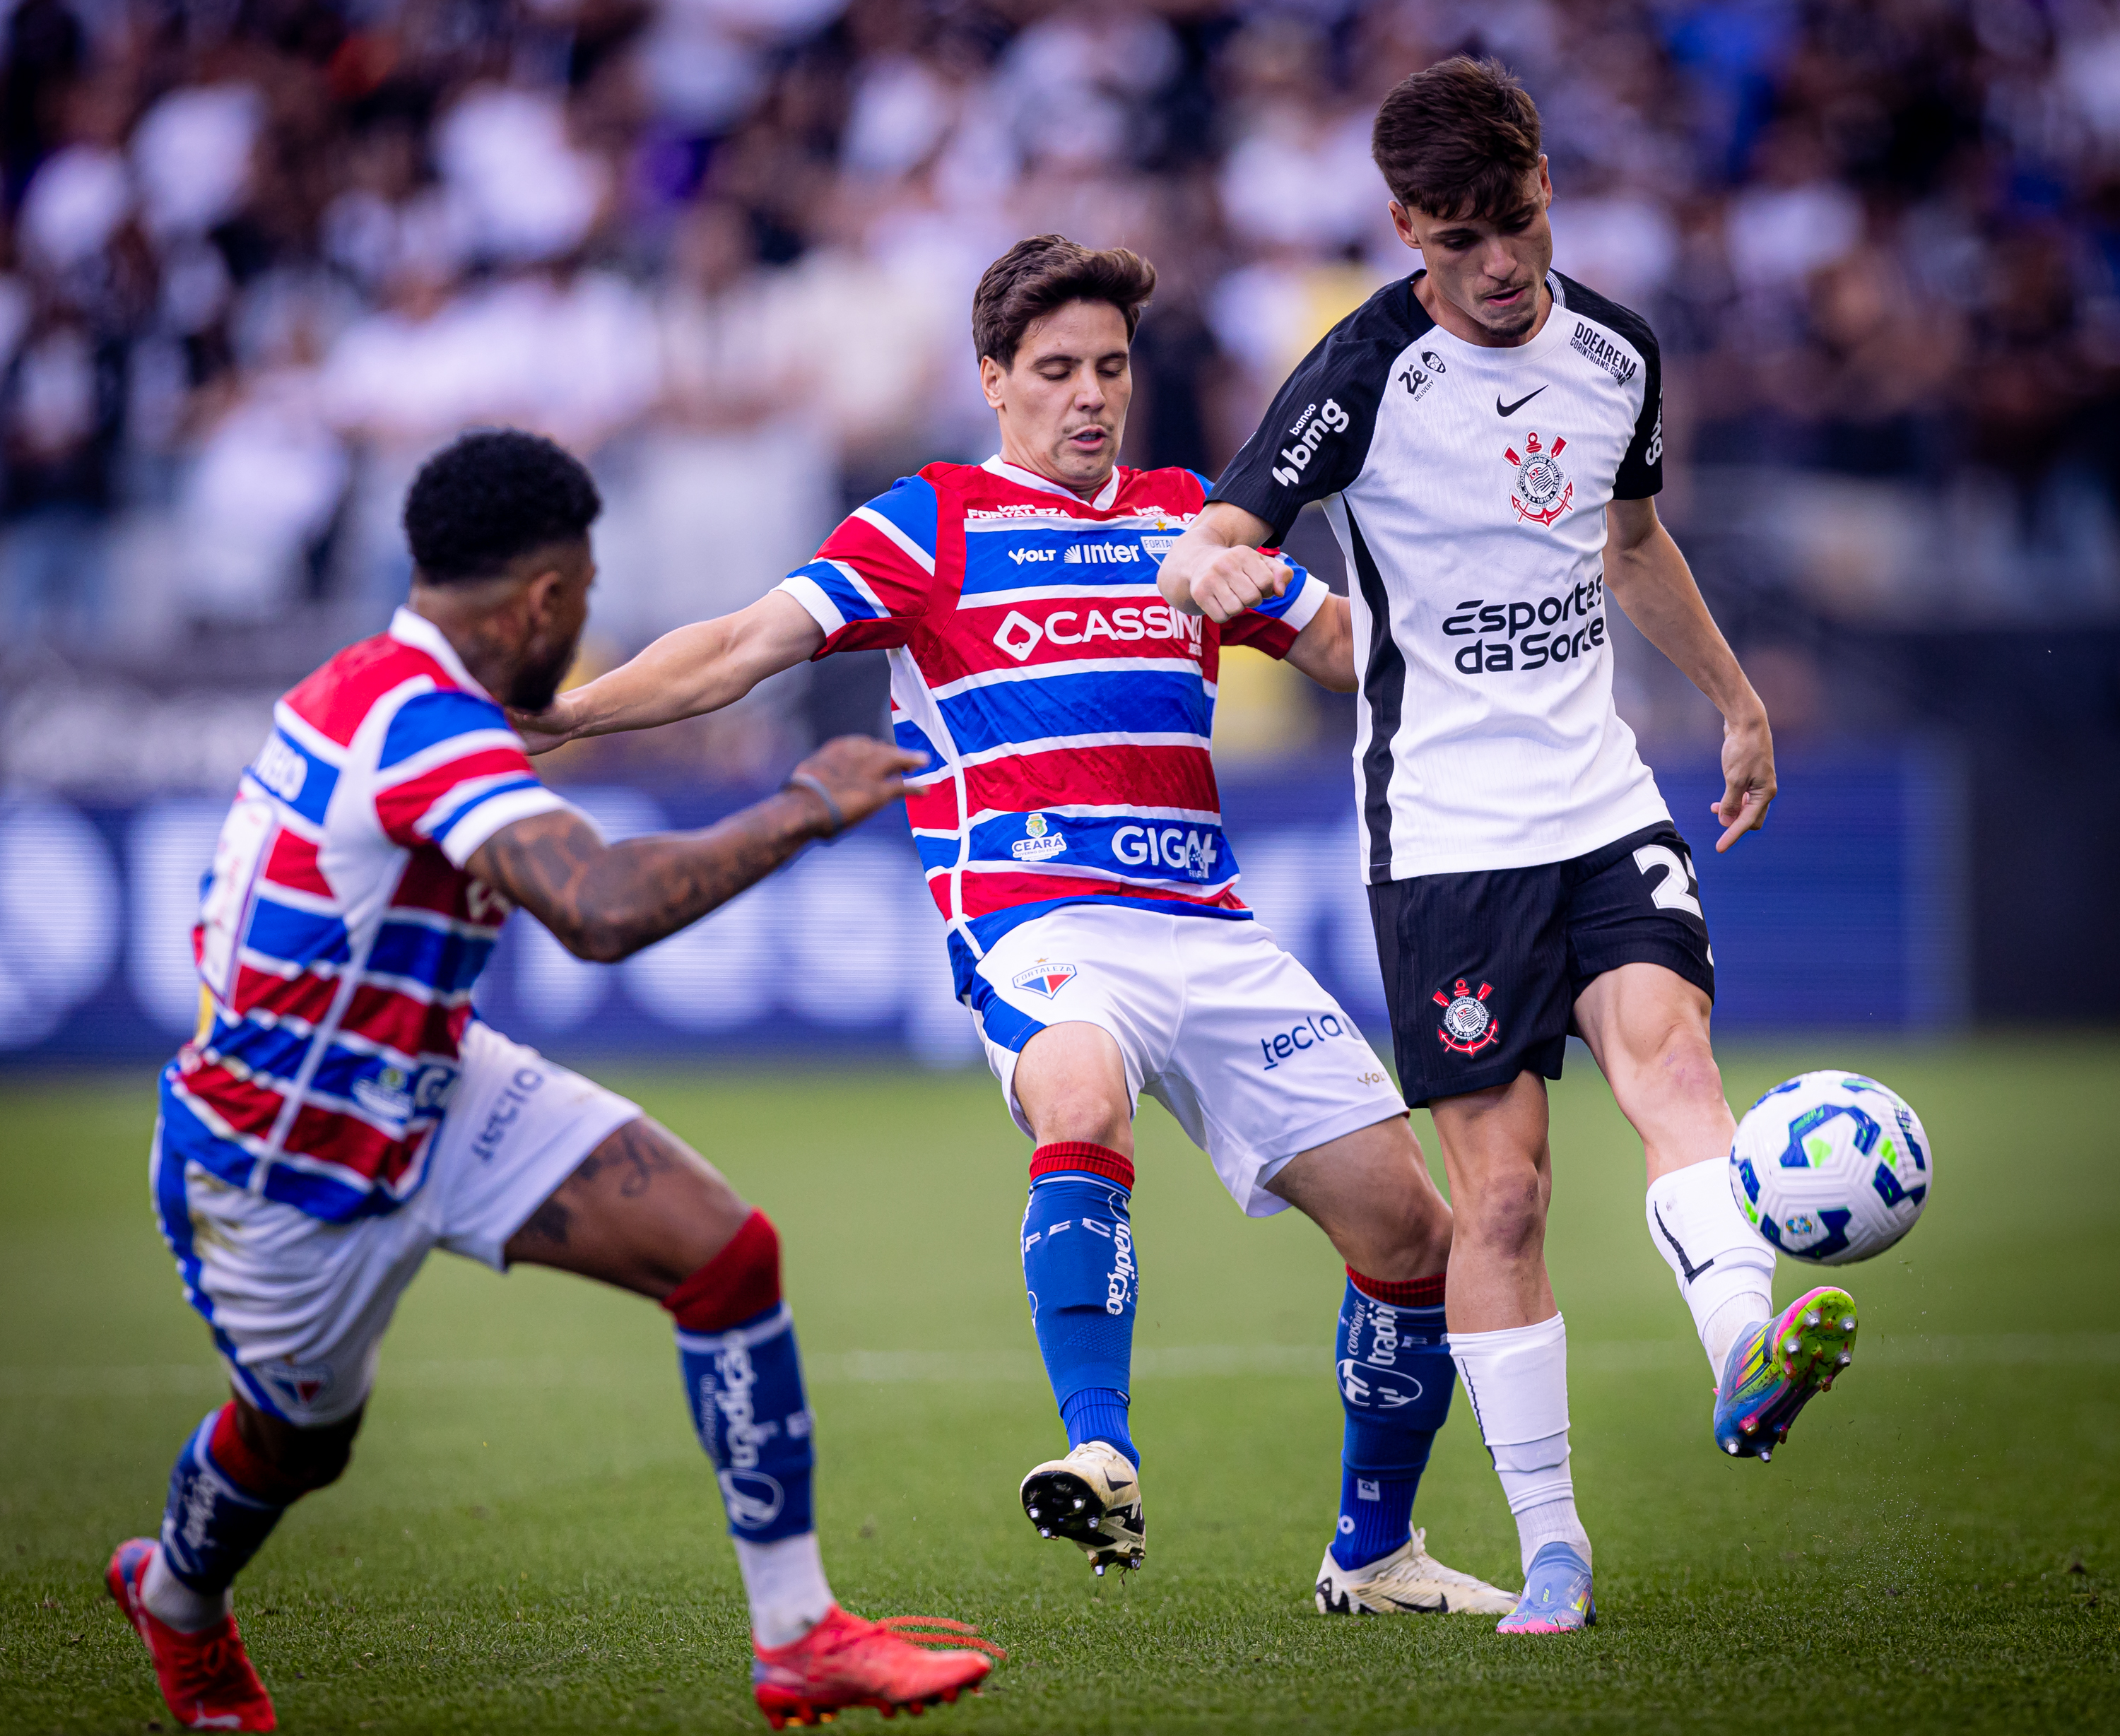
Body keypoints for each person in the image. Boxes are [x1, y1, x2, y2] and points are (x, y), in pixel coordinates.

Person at [519, 236, 1516, 1619]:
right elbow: (743, 644)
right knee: (1079, 1091)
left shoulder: (1193, 519)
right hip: (1039, 916)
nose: (1089, 395)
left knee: (1414, 1228)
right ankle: (1101, 1445)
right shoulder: (928, 523)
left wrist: (1466, 597)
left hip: (1209, 928)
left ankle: (1374, 1554)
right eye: (1055, 370)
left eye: (1110, 366)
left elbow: (1354, 650)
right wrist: (566, 713)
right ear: (994, 379)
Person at [106, 429, 999, 1732]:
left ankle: (799, 1636)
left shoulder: (372, 685)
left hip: (430, 1083)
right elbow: (598, 908)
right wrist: (805, 803)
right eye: (582, 597)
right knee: (298, 1440)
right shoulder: (422, 722)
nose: (582, 625)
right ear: (542, 599)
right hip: (280, 1165)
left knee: (725, 1256)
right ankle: (177, 1601)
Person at [1158, 57, 1859, 1638]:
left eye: (1519, 222)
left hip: (1601, 798)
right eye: (1461, 236)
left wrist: (1735, 700)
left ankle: (1746, 1349)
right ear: (1406, 225)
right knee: (1507, 1197)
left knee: (1674, 1063)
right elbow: (1216, 533)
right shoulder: (1360, 371)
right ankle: (1553, 1544)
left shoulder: (1617, 351)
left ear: (1547, 186)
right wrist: (1216, 573)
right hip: (1446, 837)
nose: (1500, 263)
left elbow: (1632, 542)